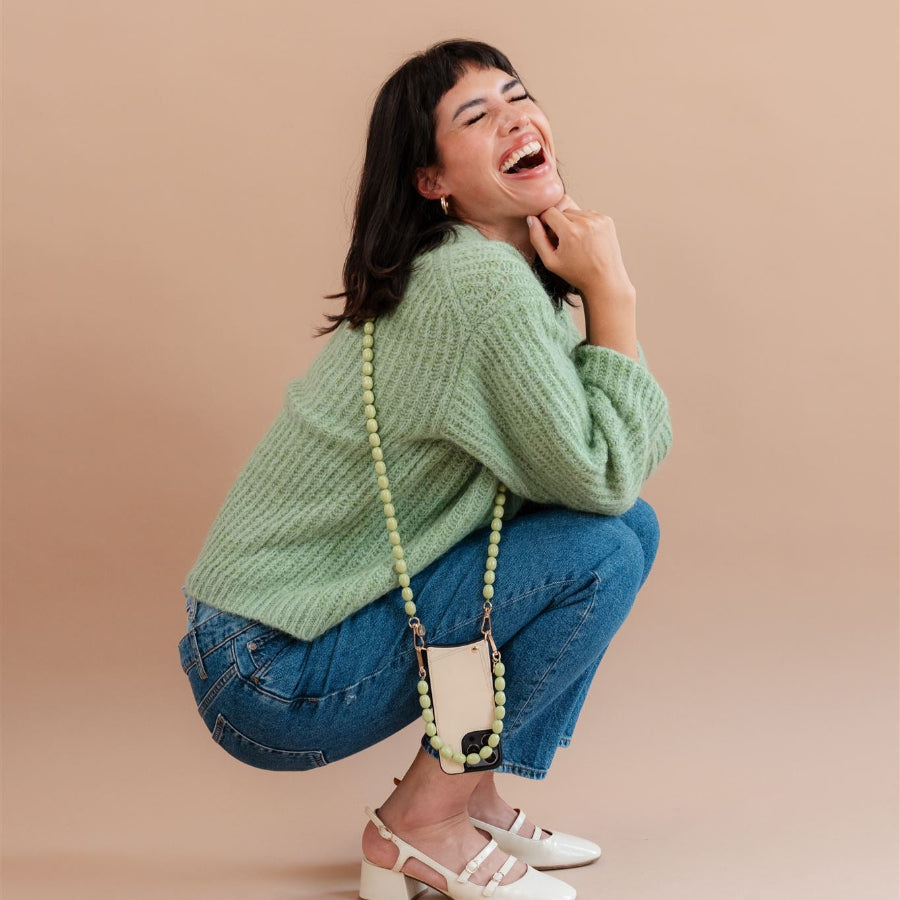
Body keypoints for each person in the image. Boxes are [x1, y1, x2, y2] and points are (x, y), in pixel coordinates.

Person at [176, 38, 673, 900]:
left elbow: (587, 481)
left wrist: (584, 293)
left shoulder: (485, 271)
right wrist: (614, 295)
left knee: (624, 532)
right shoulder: (479, 286)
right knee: (604, 544)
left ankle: (467, 798)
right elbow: (602, 474)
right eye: (476, 117)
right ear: (431, 184)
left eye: (518, 97)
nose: (515, 117)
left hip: (261, 645)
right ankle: (420, 825)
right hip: (269, 669)